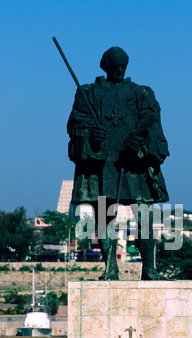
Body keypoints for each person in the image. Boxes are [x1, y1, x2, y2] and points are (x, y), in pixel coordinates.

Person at [67, 46, 170, 280]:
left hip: (134, 165)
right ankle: (110, 268)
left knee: (145, 214)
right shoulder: (88, 94)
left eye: (124, 65)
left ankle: (149, 269)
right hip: (103, 165)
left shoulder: (141, 93)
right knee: (104, 216)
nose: (120, 70)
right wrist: (91, 136)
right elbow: (74, 127)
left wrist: (140, 143)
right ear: (106, 65)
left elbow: (154, 125)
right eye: (116, 66)